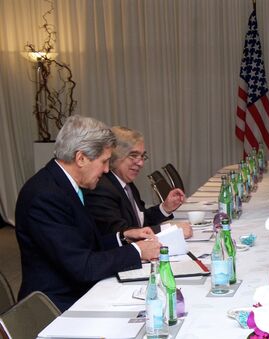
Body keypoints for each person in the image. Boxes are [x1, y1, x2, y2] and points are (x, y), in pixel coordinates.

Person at [15, 115, 161, 312]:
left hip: (76, 289)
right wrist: (137, 251)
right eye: (104, 161)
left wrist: (123, 237)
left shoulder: (67, 184)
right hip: (55, 305)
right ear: (81, 158)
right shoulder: (44, 195)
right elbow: (82, 266)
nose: (107, 169)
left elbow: (82, 243)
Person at [83, 126, 192, 238]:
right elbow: (121, 235)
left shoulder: (126, 183)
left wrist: (165, 208)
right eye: (133, 155)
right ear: (115, 155)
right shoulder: (101, 188)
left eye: (142, 156)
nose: (140, 163)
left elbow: (141, 221)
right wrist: (171, 230)